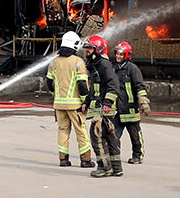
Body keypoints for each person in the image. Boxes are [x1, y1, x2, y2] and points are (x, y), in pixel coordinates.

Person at [45, 30, 93, 167]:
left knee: (63, 131)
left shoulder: (54, 62)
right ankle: (85, 160)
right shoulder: (78, 62)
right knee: (81, 131)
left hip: (59, 105)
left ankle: (63, 160)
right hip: (75, 105)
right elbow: (82, 84)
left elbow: (49, 83)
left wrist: (56, 96)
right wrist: (85, 101)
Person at [82, 34, 123, 177]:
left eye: (90, 49)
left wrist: (107, 103)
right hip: (100, 107)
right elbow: (94, 88)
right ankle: (116, 168)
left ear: (98, 49)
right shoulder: (96, 65)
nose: (87, 51)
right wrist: (86, 102)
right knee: (110, 137)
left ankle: (104, 167)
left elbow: (114, 85)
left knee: (97, 137)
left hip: (103, 109)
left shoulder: (103, 65)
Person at [112, 40, 150, 164]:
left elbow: (140, 86)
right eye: (117, 53)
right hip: (117, 109)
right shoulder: (113, 68)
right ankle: (114, 157)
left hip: (130, 108)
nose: (118, 56)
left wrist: (144, 102)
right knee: (114, 135)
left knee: (135, 135)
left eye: (121, 54)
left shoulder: (133, 69)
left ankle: (137, 156)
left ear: (126, 55)